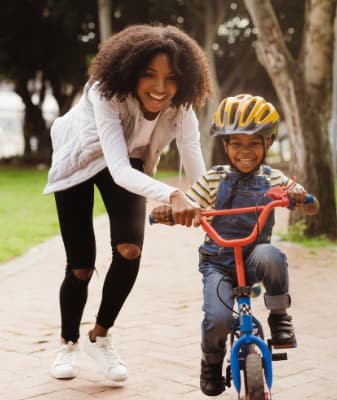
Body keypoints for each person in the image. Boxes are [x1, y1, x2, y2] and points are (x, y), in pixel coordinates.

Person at [44, 24, 212, 382]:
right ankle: (68, 342)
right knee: (81, 267)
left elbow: (193, 156)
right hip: (79, 160)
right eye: (149, 75)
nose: (161, 88)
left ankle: (99, 337)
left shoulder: (181, 108)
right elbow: (118, 170)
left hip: (128, 160)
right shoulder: (104, 93)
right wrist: (173, 194)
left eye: (171, 78)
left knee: (130, 249)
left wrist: (207, 201)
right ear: (131, 71)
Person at [150, 94, 319, 396]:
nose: (245, 151)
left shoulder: (273, 179)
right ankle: (211, 363)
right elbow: (189, 203)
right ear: (225, 145)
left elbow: (312, 206)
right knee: (217, 318)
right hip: (219, 262)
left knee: (273, 254)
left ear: (268, 143)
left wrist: (300, 198)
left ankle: (279, 316)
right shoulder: (214, 179)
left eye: (253, 143)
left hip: (254, 257)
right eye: (236, 143)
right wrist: (171, 211)